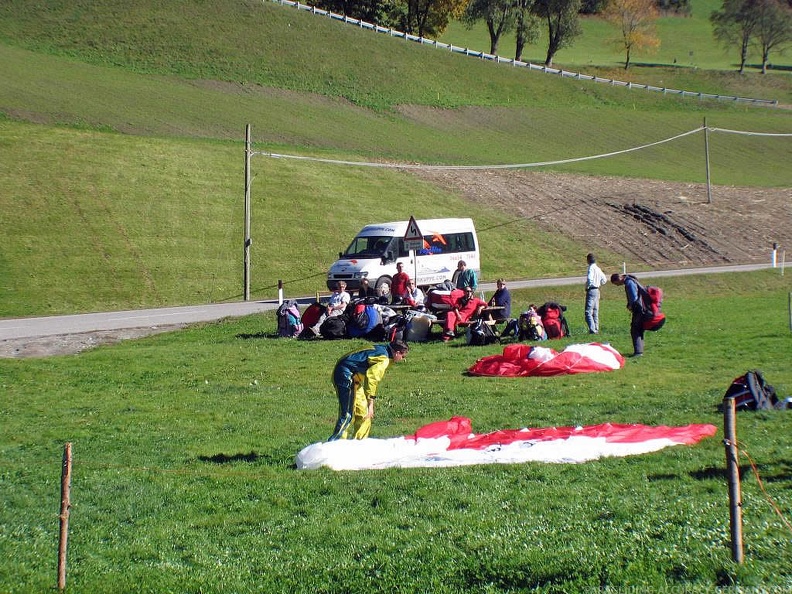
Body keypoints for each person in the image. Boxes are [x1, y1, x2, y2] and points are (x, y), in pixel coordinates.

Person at [328, 340, 409, 441]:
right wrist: (371, 403)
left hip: (354, 378)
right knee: (348, 414)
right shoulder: (384, 359)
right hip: (345, 375)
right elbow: (372, 379)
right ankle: (335, 444)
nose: (403, 359)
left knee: (364, 413)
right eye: (403, 356)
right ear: (397, 353)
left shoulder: (382, 348)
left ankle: (360, 443)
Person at [610, 273, 645, 357]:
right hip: (641, 308)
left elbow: (633, 297)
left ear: (618, 279)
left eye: (616, 284)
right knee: (639, 329)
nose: (617, 285)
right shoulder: (631, 280)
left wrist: (630, 306)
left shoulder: (629, 283)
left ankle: (638, 352)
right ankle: (640, 350)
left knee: (635, 330)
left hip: (638, 309)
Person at [584, 253, 607, 334]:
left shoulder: (591, 268)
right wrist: (599, 283)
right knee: (595, 310)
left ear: (588, 260)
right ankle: (596, 328)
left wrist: (587, 286)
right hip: (597, 290)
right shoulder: (598, 268)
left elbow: (590, 279)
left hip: (591, 290)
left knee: (588, 311)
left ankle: (592, 329)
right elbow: (604, 279)